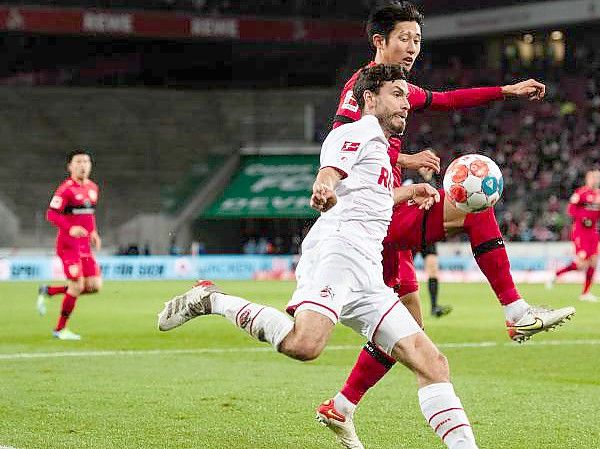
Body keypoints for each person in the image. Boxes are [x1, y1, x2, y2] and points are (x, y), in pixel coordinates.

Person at [158, 64, 481, 449]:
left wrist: (408, 193)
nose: (407, 103)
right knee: (305, 345)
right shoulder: (355, 132)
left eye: (406, 95)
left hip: (367, 271)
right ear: (369, 99)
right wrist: (323, 187)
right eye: (397, 94)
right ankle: (213, 299)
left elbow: (368, 196)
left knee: (432, 363)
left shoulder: (379, 146)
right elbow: (331, 172)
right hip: (338, 252)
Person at [319, 3, 574, 446]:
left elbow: (448, 99)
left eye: (418, 40)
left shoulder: (402, 90)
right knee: (476, 205)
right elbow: (339, 146)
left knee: (410, 328)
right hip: (372, 215)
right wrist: (407, 159)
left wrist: (506, 91)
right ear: (379, 41)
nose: (414, 48)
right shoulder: (360, 90)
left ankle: (340, 406)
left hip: (385, 225)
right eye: (405, 38)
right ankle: (515, 311)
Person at [37, 150, 103, 340]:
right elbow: (51, 214)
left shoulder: (93, 188)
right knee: (76, 285)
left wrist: (93, 232)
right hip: (68, 245)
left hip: (85, 246)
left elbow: (89, 214)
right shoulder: (65, 189)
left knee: (94, 286)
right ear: (70, 166)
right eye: (78, 162)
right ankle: (59, 330)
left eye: (86, 161)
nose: (83, 165)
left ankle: (49, 291)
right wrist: (70, 227)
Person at [546, 169, 600, 302]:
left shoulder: (599, 194)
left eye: (598, 177)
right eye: (593, 177)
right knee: (581, 263)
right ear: (588, 179)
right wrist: (583, 217)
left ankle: (585, 293)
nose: (596, 180)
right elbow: (571, 210)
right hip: (580, 232)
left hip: (593, 232)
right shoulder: (580, 193)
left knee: (594, 261)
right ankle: (556, 275)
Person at [404, 164, 452, 317]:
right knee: (404, 271)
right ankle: (395, 305)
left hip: (428, 234)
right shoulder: (411, 182)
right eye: (424, 165)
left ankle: (434, 306)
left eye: (430, 165)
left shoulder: (436, 184)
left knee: (433, 268)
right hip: (412, 233)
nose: (427, 168)